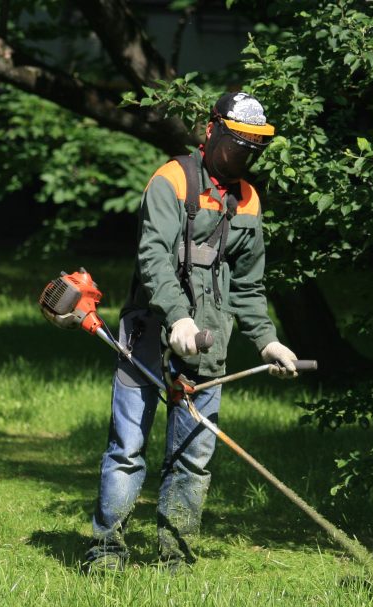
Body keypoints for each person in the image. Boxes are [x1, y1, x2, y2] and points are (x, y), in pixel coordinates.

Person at [83, 92, 299, 573]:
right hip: (148, 330)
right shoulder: (172, 180)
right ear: (211, 132)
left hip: (209, 341)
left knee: (193, 455)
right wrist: (178, 318)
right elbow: (153, 257)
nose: (241, 158)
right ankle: (106, 552)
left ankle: (174, 557)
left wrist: (268, 340)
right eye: (234, 147)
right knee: (126, 450)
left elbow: (248, 283)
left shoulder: (247, 199)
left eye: (250, 151)